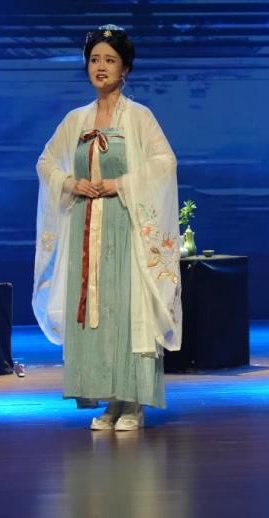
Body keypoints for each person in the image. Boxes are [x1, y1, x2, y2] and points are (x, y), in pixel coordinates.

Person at [32, 25, 181, 430]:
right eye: (95, 59)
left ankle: (132, 402)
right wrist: (70, 183)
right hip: (86, 227)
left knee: (125, 310)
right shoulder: (76, 120)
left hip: (125, 227)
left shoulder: (139, 117)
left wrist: (120, 185)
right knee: (94, 311)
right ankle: (110, 400)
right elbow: (46, 163)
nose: (100, 67)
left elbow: (165, 163)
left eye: (110, 60)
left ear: (125, 68)